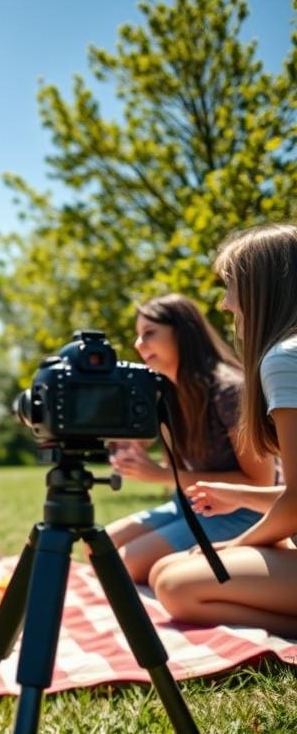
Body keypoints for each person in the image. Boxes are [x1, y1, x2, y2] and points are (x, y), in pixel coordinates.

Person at [151, 225, 297, 638]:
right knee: (168, 569)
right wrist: (241, 495)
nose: (224, 301)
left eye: (230, 284)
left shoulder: (283, 360)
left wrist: (236, 546)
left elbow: (296, 502)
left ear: (260, 289)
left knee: (174, 585)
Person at [105, 294, 275, 584]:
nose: (138, 344)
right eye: (138, 335)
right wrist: (133, 449)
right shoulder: (169, 392)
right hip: (192, 505)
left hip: (244, 511)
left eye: (149, 333)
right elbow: (175, 460)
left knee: (125, 563)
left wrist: (161, 475)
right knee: (102, 546)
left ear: (182, 333)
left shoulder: (230, 391)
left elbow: (261, 482)